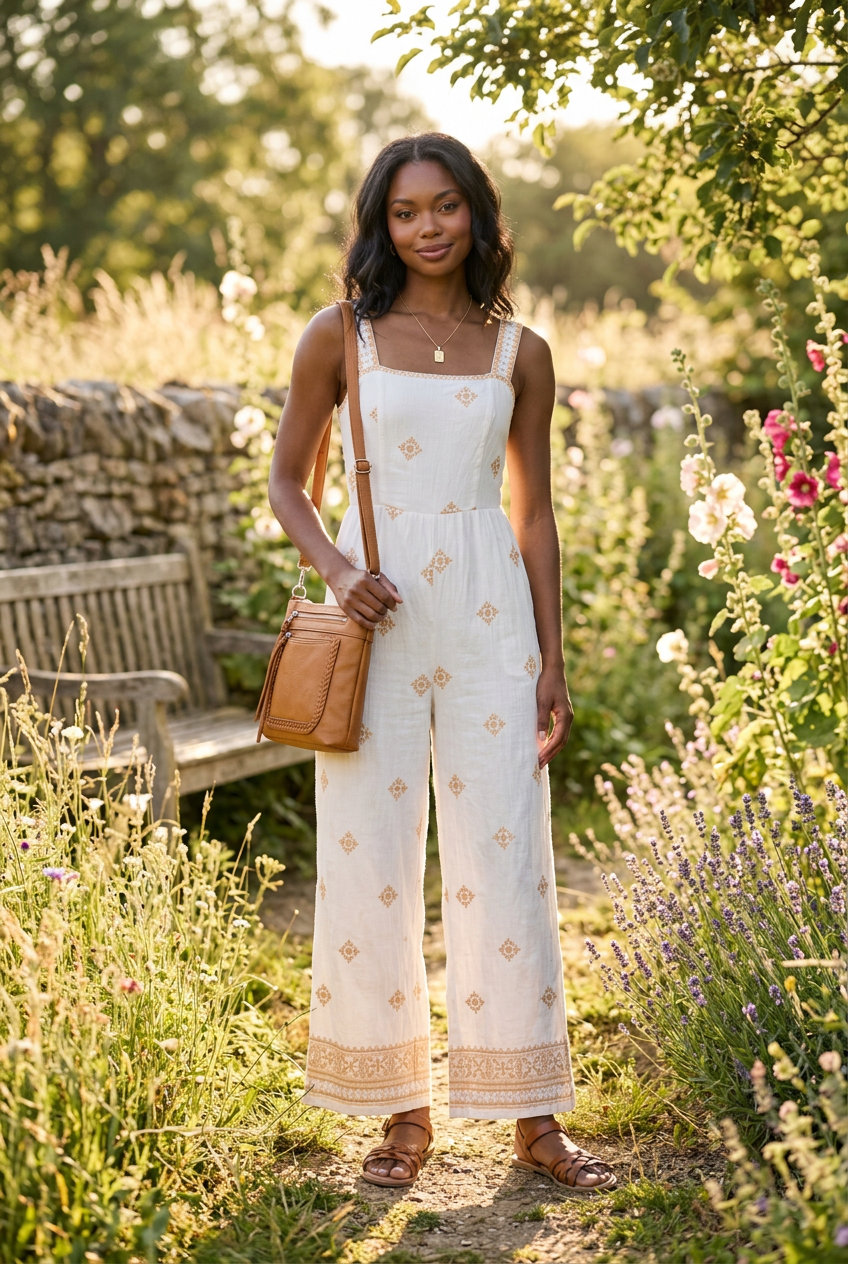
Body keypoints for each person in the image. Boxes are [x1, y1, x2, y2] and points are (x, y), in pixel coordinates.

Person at [268, 133, 616, 1193]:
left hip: (489, 619)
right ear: (382, 223)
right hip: (374, 620)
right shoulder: (341, 334)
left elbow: (534, 513)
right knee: (367, 854)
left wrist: (552, 659)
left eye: (446, 205)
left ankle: (532, 1118)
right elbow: (286, 481)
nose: (428, 227)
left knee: (505, 858)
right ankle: (399, 1113)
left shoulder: (522, 352)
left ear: (478, 214)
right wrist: (337, 570)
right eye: (406, 211)